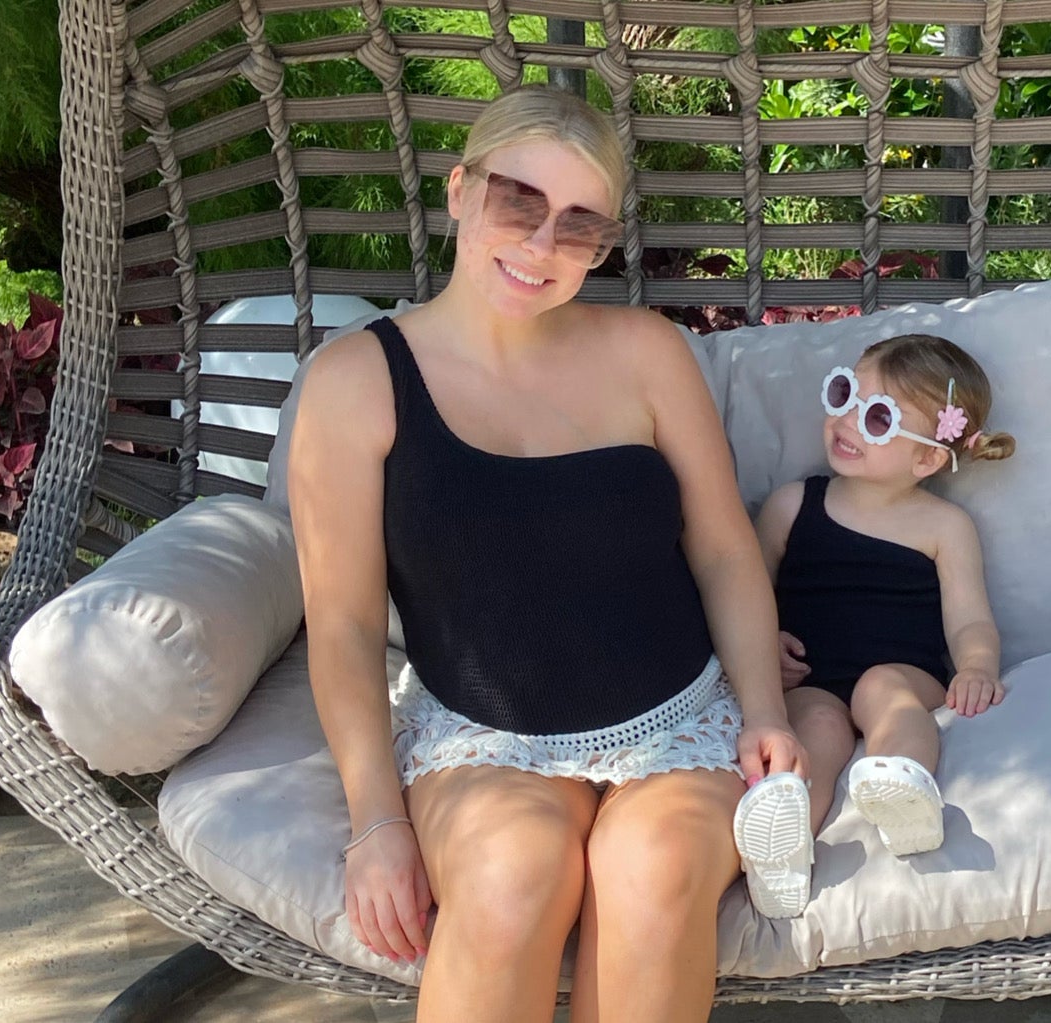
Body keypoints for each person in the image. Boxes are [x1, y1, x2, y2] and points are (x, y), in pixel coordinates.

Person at [286, 85, 804, 1022]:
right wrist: (375, 821)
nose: (539, 245)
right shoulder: (357, 381)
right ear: (457, 189)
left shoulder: (648, 353)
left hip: (677, 719)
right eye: (517, 201)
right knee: (509, 871)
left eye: (577, 225)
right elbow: (347, 622)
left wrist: (762, 707)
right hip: (477, 733)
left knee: (648, 875)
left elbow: (727, 552)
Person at [731, 334, 1017, 918]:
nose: (847, 420)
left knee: (883, 691)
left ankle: (904, 787)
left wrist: (977, 665)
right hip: (811, 674)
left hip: (906, 671)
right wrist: (764, 644)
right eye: (844, 394)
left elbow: (968, 617)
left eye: (878, 416)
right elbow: (746, 591)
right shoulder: (793, 505)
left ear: (928, 458)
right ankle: (783, 850)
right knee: (814, 727)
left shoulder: (943, 525)